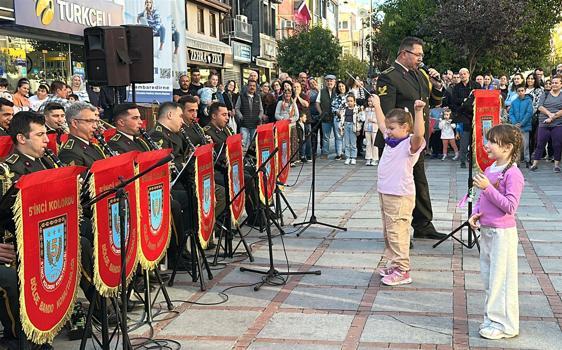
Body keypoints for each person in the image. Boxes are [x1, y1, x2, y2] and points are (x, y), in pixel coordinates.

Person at [376, 36, 445, 240]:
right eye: (417, 55)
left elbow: (434, 102)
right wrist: (399, 138)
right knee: (397, 188)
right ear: (404, 54)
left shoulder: (421, 75)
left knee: (419, 182)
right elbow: (389, 114)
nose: (420, 59)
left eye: (421, 55)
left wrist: (438, 85)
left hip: (416, 140)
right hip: (397, 143)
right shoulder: (389, 76)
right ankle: (398, 232)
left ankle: (423, 225)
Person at [469, 124, 524, 340]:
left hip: (503, 233)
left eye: (492, 141)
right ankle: (492, 317)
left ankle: (503, 323)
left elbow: (510, 206)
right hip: (488, 230)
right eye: (487, 141)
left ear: (508, 147)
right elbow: (482, 198)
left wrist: (487, 188)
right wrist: (475, 213)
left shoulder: (513, 173)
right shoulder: (491, 168)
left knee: (501, 278)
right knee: (489, 278)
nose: (487, 145)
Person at [371, 96, 427, 285]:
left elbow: (419, 134)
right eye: (389, 128)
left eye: (392, 128)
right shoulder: (391, 140)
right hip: (386, 192)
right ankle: (395, 264)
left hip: (400, 195)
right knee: (389, 232)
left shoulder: (410, 144)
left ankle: (403, 270)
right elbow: (381, 123)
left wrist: (418, 112)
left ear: (405, 128)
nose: (388, 131)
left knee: (398, 232)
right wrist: (377, 104)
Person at [530, 75, 562, 172]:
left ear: (561, 84)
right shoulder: (545, 94)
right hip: (543, 123)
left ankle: (556, 165)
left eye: (556, 83)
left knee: (557, 144)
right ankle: (535, 164)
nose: (554, 84)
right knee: (540, 144)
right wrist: (549, 114)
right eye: (553, 82)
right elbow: (539, 107)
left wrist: (552, 117)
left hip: (558, 123)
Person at [451, 68, 481, 168]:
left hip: (475, 115)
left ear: (468, 74)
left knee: (475, 140)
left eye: (464, 74)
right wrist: (463, 100)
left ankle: (475, 160)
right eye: (461, 74)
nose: (463, 76)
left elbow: (480, 98)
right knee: (464, 140)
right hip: (463, 116)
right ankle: (462, 160)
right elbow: (454, 100)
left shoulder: (476, 85)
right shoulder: (456, 87)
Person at [235, 80, 264, 151]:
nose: (252, 87)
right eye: (250, 85)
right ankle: (244, 160)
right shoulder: (241, 96)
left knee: (254, 144)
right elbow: (237, 108)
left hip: (255, 124)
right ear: (247, 87)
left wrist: (259, 117)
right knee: (244, 144)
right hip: (244, 124)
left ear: (256, 87)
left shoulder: (258, 97)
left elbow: (261, 110)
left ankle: (253, 161)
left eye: (254, 86)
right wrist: (241, 117)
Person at [509, 86, 533, 167]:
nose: (520, 92)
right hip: (516, 126)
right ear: (516, 92)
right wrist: (515, 122)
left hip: (525, 126)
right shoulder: (514, 102)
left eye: (522, 90)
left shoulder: (529, 101)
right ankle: (517, 161)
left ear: (525, 91)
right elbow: (511, 113)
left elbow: (529, 113)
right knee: (517, 144)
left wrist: (522, 123)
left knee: (525, 144)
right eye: (519, 91)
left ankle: (527, 160)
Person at [315, 74, 338, 159]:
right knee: (326, 137)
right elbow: (317, 103)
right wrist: (321, 112)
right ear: (325, 82)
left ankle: (338, 153)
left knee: (338, 136)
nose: (329, 82)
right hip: (325, 117)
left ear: (334, 81)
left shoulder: (338, 91)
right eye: (328, 81)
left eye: (331, 80)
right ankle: (325, 153)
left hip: (336, 117)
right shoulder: (322, 91)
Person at [338, 94, 363, 165]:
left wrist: (358, 129)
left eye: (351, 101)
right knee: (346, 142)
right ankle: (348, 157)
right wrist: (341, 128)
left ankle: (353, 157)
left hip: (353, 126)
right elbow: (341, 119)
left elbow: (360, 120)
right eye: (348, 101)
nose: (349, 103)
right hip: (346, 125)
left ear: (354, 101)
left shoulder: (357, 109)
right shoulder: (344, 109)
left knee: (353, 143)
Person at [330, 80, 348, 160]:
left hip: (348, 119)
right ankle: (339, 154)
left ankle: (348, 153)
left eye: (342, 86)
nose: (341, 88)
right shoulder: (336, 97)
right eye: (339, 86)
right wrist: (337, 112)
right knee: (338, 137)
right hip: (338, 119)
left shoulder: (349, 96)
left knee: (348, 136)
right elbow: (333, 107)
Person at [363, 95, 379, 166]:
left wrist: (372, 120)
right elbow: (364, 119)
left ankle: (375, 158)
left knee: (375, 144)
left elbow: (379, 120)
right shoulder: (366, 109)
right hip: (367, 129)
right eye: (368, 101)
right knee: (368, 143)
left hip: (374, 129)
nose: (369, 103)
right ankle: (368, 158)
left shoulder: (377, 109)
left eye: (371, 101)